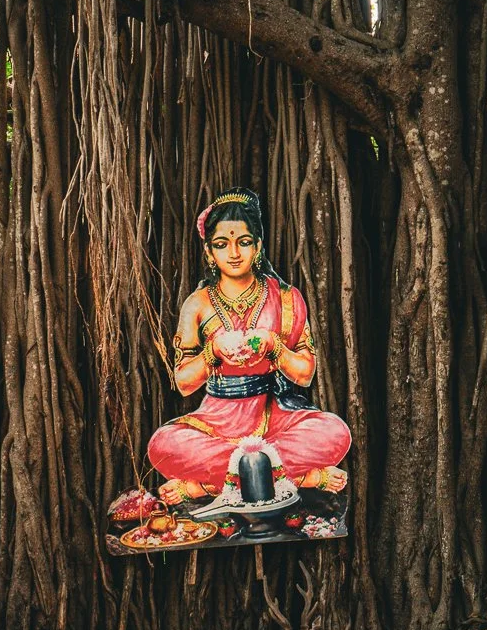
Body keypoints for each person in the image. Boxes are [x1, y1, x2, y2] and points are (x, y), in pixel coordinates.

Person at [147, 189, 351, 506]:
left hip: (274, 416)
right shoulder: (197, 304)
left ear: (257, 246)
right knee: (163, 445)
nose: (233, 253)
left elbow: (305, 373)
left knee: (334, 432)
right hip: (216, 420)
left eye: (243, 242)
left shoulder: (286, 298)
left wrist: (275, 347)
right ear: (208, 251)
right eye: (221, 244)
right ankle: (296, 477)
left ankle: (208, 485)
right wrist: (212, 352)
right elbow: (184, 382)